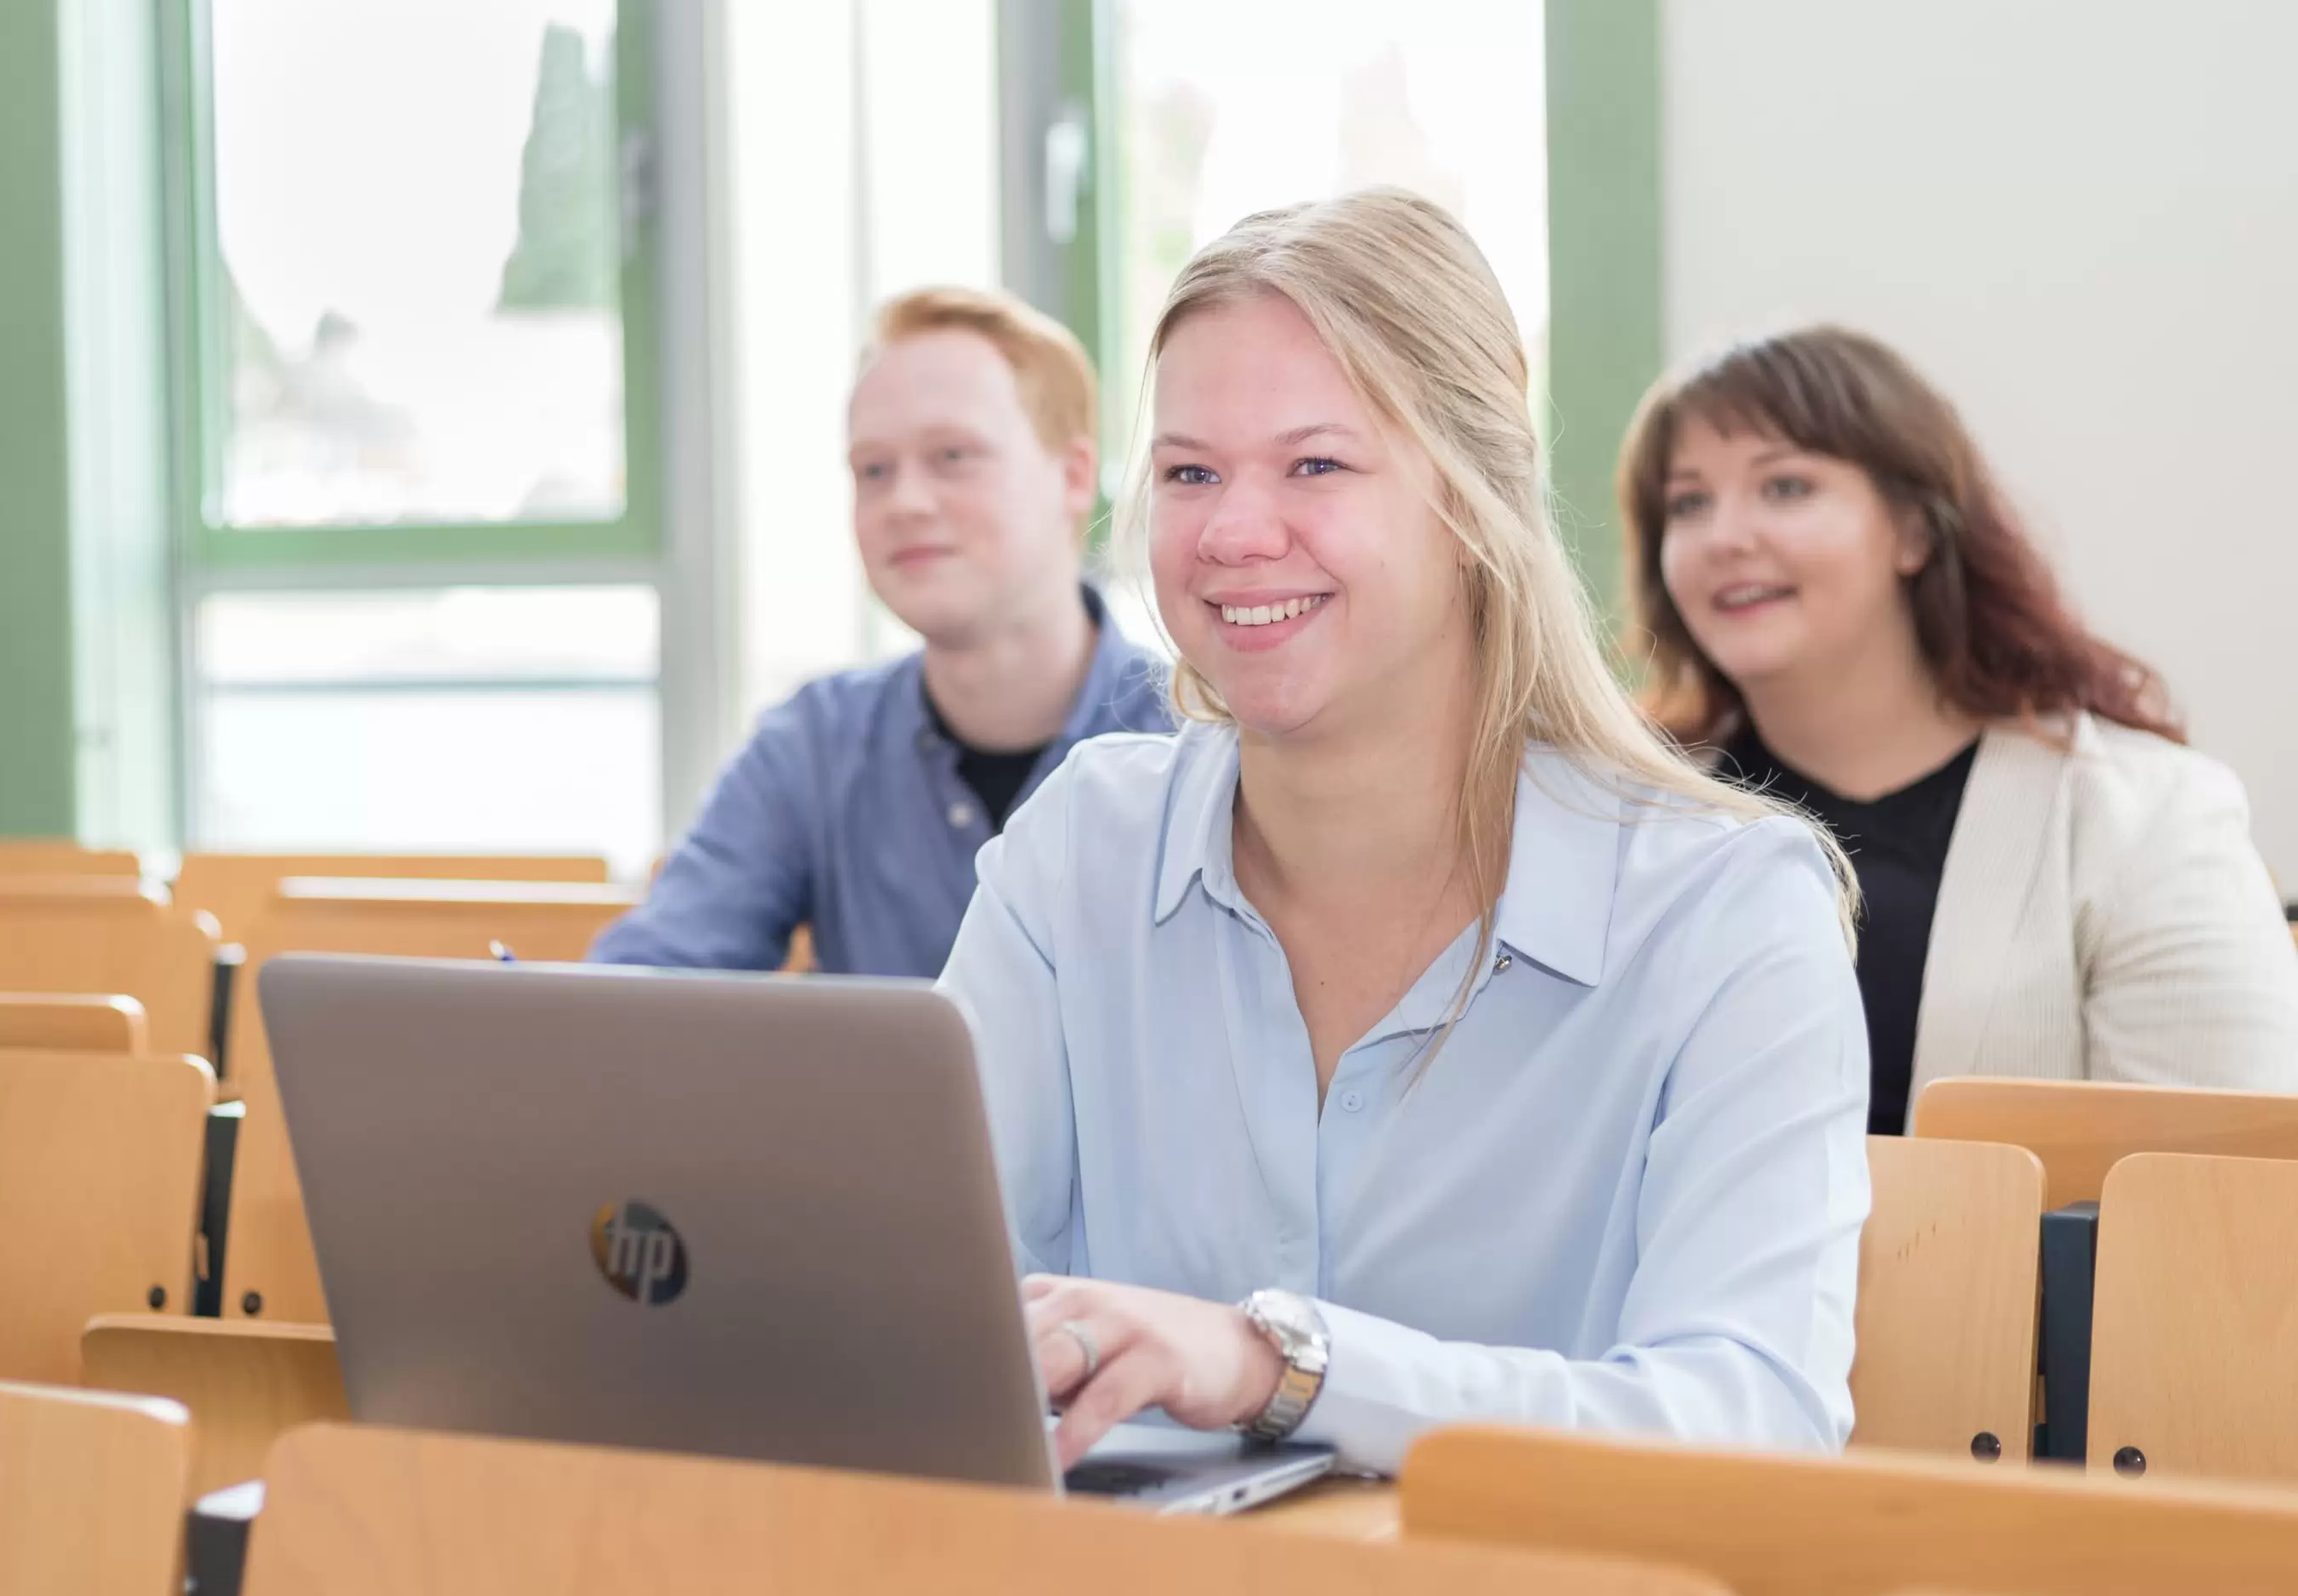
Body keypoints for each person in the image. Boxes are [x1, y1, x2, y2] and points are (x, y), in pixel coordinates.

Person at [938, 190, 1872, 1479]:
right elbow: (921, 1303)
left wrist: (1284, 1368)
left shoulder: (1727, 916)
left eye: (1316, 465)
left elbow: (1753, 1422)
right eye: (1189, 472)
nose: (1231, 533)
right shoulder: (1079, 852)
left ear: (1474, 496)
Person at [1620, 325, 2298, 1132]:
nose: (1725, 536)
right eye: (1689, 502)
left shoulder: (2145, 815)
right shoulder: (1617, 813)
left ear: (1913, 530)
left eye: (1787, 487)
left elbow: (2211, 1208)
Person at [593, 288, 1167, 978]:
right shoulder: (814, 743)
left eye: (953, 455)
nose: (905, 502)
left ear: (1073, 477)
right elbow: (653, 984)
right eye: (873, 470)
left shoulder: (1201, 741)